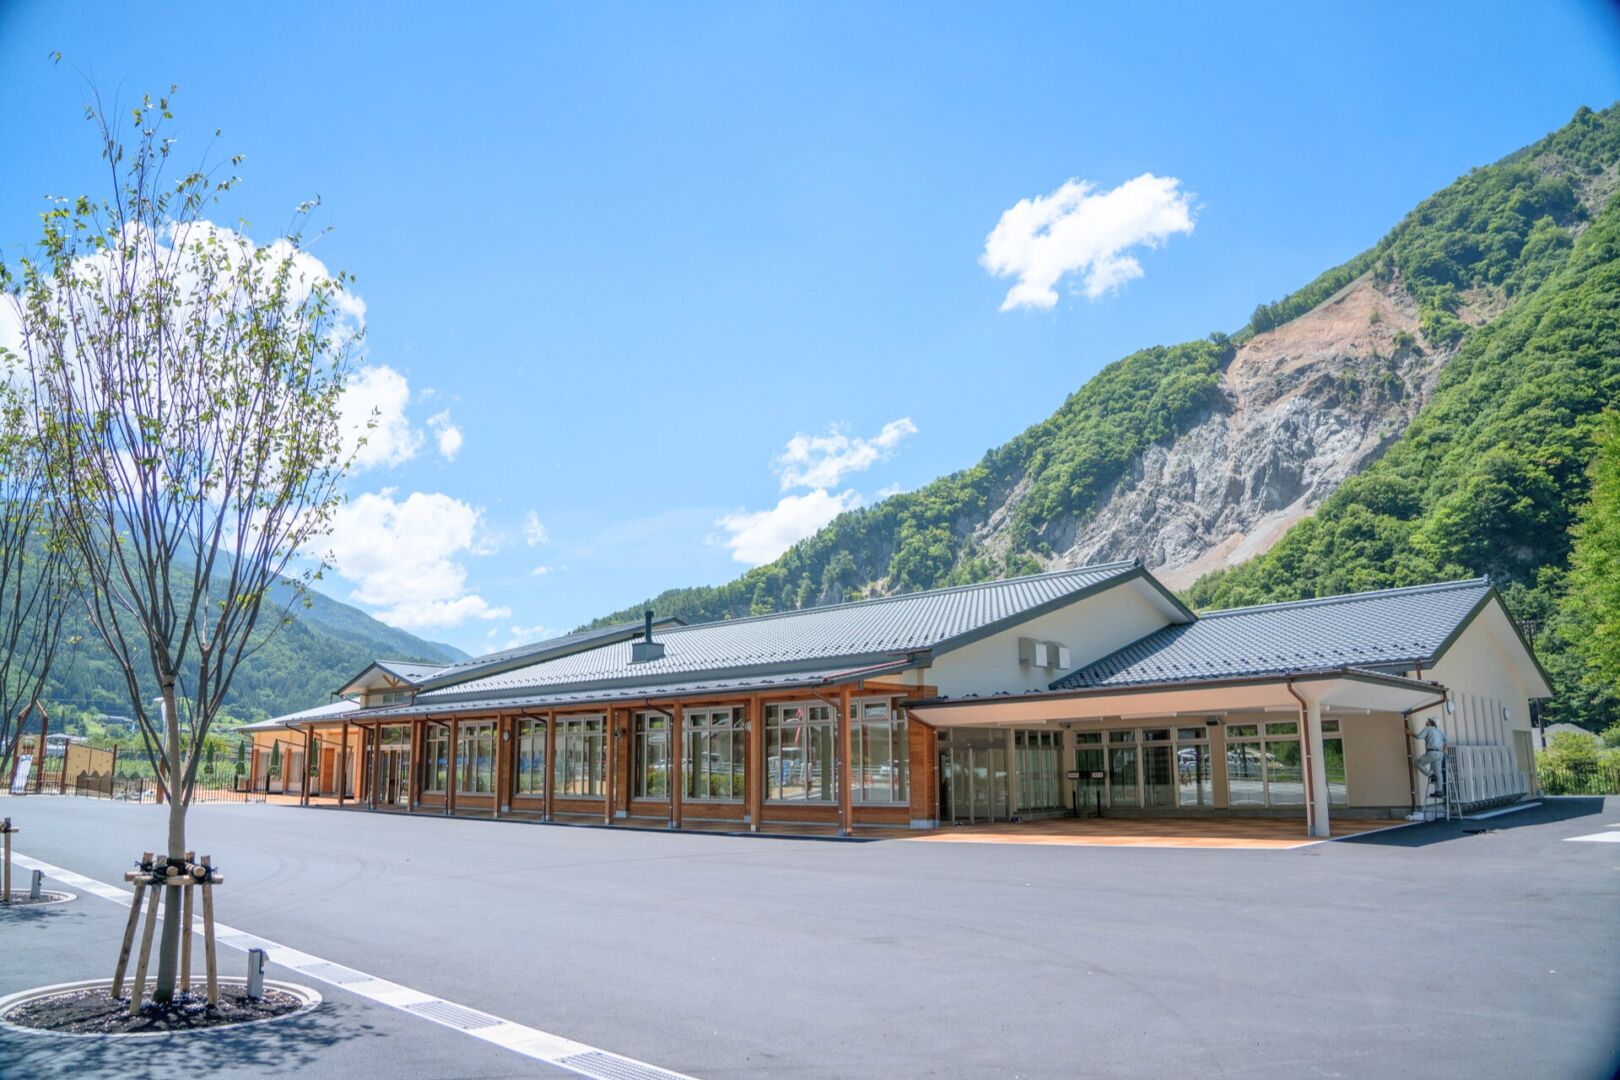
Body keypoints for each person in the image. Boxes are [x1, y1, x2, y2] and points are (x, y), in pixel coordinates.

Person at [1409, 717, 1448, 794]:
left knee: (1418, 763)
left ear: (1432, 722)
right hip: (1440, 753)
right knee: (1438, 772)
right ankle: (1438, 791)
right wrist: (1443, 751)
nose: (1426, 721)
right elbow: (1446, 741)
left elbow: (1419, 737)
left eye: (1428, 720)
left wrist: (1410, 733)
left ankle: (1430, 775)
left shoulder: (1428, 728)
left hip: (1432, 752)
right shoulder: (1440, 731)